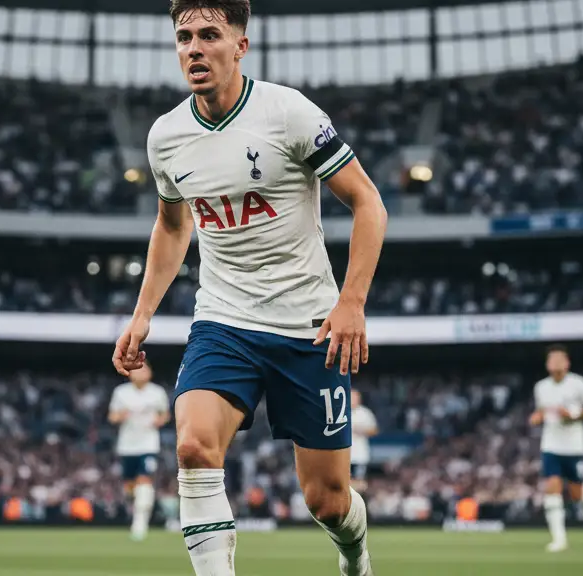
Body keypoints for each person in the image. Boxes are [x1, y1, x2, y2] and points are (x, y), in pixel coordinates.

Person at [111, 0, 388, 573]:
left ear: (240, 46)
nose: (193, 47)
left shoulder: (287, 113)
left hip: (309, 328)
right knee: (192, 447)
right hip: (223, 320)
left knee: (327, 501)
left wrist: (352, 301)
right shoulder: (166, 136)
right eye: (184, 36)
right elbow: (171, 226)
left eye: (209, 34)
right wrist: (141, 314)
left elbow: (368, 202)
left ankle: (355, 554)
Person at [529, 344, 583, 552]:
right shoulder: (541, 387)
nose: (555, 364)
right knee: (552, 487)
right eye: (551, 360)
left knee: (576, 492)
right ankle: (559, 538)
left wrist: (574, 415)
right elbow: (541, 412)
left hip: (574, 446)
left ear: (567, 363)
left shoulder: (578, 384)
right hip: (551, 445)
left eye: (559, 360)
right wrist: (536, 418)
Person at [108, 362, 171, 541]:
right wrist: (121, 416)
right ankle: (135, 507)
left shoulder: (157, 392)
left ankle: (140, 522)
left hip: (148, 444)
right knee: (130, 486)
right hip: (127, 445)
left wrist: (159, 421)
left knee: (145, 479)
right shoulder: (121, 392)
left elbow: (165, 414)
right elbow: (112, 416)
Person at [349, 389, 379, 494]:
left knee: (359, 482)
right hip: (343, 454)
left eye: (355, 397)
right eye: (351, 397)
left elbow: (374, 430)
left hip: (359, 455)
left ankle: (358, 505)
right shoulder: (340, 411)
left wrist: (362, 430)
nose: (353, 400)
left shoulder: (365, 413)